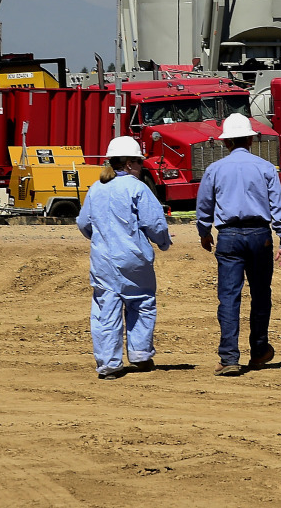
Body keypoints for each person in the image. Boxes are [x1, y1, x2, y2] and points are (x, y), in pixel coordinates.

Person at [195, 113, 281, 377]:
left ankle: (229, 358)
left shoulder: (214, 170)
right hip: (259, 236)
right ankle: (259, 350)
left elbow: (203, 207)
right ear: (251, 139)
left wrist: (204, 233)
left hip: (228, 237)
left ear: (226, 143)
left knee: (229, 298)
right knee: (261, 294)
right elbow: (278, 208)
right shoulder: (265, 168)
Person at [75, 135, 172, 379]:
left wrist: (101, 239)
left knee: (105, 308)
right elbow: (155, 224)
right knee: (141, 303)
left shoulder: (96, 188)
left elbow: (84, 223)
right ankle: (140, 356)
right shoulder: (137, 187)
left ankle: (109, 365)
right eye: (139, 162)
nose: (141, 167)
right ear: (128, 163)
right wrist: (162, 242)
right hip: (133, 258)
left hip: (103, 260)